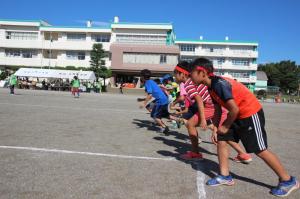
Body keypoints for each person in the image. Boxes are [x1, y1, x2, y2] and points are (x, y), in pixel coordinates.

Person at [189, 57, 299, 197]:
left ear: (201, 72)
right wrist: (217, 128)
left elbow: (234, 109)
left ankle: (288, 180)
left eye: (191, 72)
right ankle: (225, 176)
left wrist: (226, 125)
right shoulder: (210, 87)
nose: (189, 76)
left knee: (259, 149)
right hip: (237, 114)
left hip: (250, 113)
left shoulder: (219, 84)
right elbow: (218, 109)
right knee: (222, 139)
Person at [172, 61, 252, 163]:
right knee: (221, 132)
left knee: (191, 124)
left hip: (211, 106)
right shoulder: (193, 81)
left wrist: (202, 120)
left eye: (175, 74)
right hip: (217, 105)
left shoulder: (188, 83)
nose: (174, 77)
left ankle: (195, 153)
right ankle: (243, 154)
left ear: (182, 74)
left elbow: (199, 100)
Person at [139, 69, 170, 134]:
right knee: (152, 112)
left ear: (143, 77)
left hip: (160, 100)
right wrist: (142, 100)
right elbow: (153, 93)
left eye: (141, 76)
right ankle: (164, 123)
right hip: (163, 99)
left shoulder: (147, 83)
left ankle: (164, 128)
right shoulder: (151, 81)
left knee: (154, 116)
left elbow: (150, 95)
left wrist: (143, 103)